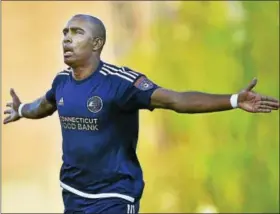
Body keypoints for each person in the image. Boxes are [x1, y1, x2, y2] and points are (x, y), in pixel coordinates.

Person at [3, 14, 279, 214]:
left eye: (76, 32)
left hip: (114, 197)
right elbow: (46, 105)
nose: (67, 38)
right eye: (65, 32)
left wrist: (232, 100)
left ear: (97, 43)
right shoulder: (61, 81)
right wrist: (21, 110)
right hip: (73, 194)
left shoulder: (120, 83)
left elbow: (176, 100)